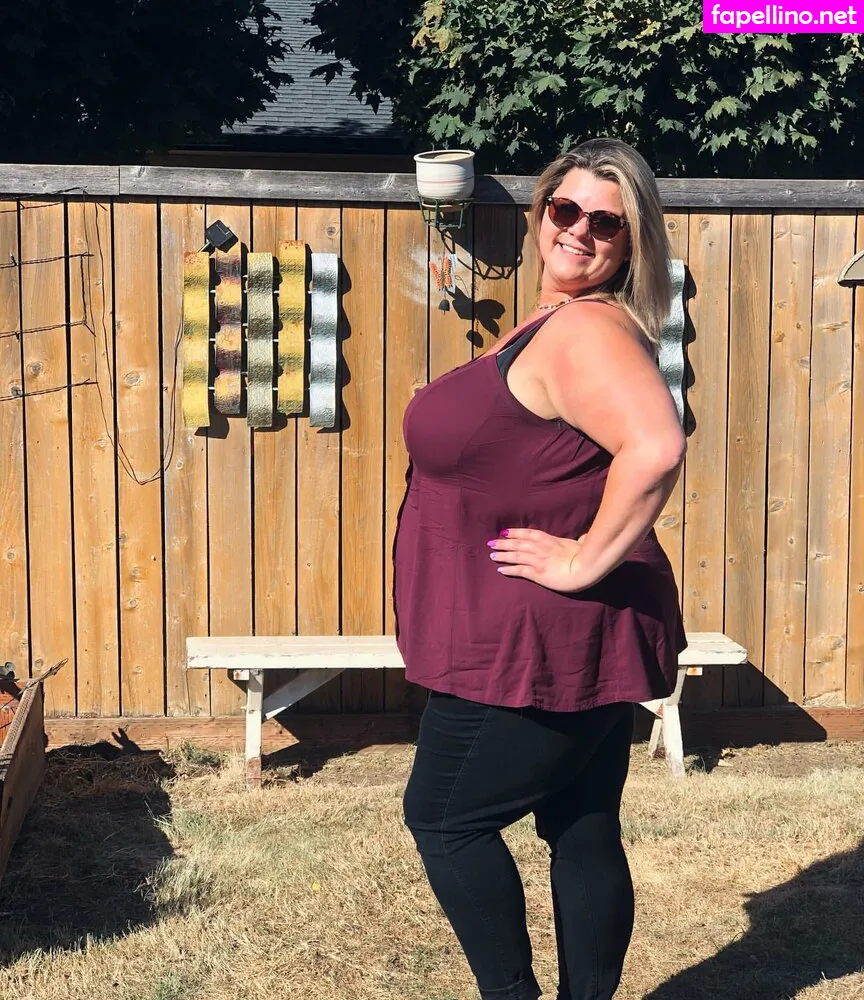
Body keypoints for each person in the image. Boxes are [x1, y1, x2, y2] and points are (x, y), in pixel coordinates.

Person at [393, 137, 688, 1000]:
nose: (580, 232)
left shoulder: (587, 328)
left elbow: (657, 445)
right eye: (567, 209)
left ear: (631, 243)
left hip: (530, 640)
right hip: (568, 633)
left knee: (444, 817)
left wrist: (581, 561)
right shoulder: (553, 322)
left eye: (607, 223)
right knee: (581, 823)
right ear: (541, 211)